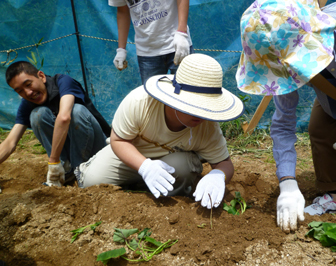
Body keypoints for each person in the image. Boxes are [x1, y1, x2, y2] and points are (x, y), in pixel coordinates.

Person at [236, 0, 336, 232]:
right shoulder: (281, 54)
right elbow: (283, 123)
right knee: (320, 129)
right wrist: (287, 183)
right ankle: (335, 198)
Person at [75, 53, 244, 208]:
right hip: (132, 152)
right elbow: (119, 141)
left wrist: (218, 175)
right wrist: (145, 167)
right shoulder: (140, 102)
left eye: (206, 107)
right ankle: (143, 179)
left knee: (184, 167)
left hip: (172, 162)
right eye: (195, 106)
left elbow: (224, 163)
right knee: (92, 181)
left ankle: (159, 191)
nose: (201, 114)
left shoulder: (208, 125)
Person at [3, 61, 111, 187]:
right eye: (20, 91)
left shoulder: (63, 82)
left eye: (28, 84)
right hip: (72, 152)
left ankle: (80, 171)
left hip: (99, 149)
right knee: (37, 114)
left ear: (41, 76)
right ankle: (66, 169)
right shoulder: (28, 103)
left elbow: (64, 117)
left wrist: (53, 162)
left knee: (76, 111)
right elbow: (10, 143)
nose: (28, 93)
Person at [109, 0, 194, 84]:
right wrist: (121, 49)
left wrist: (182, 33)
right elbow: (122, 11)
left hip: (177, 44)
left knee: (187, 92)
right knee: (152, 97)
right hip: (147, 53)